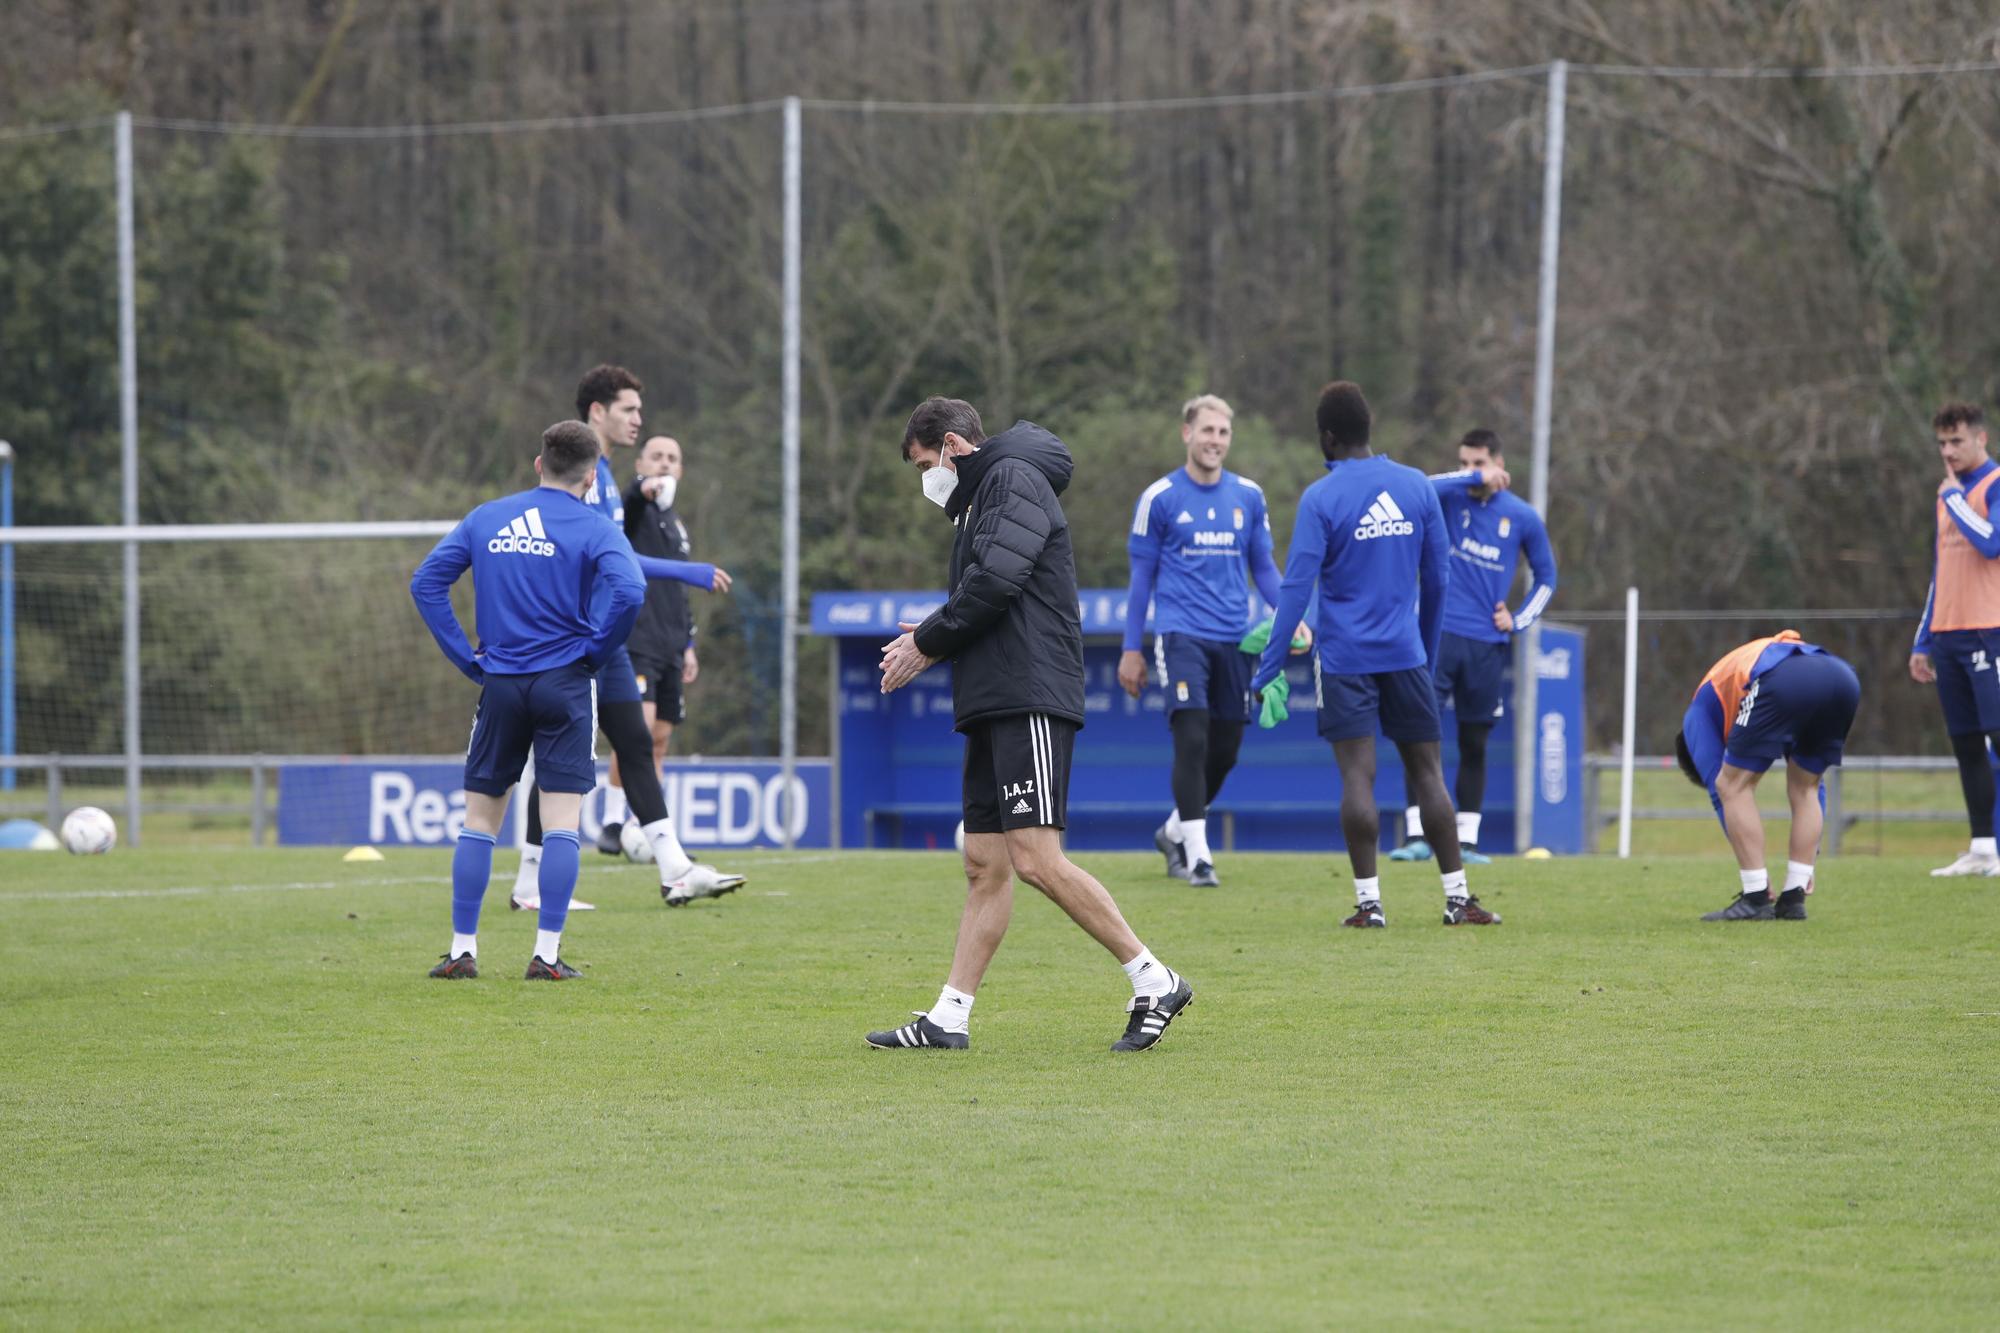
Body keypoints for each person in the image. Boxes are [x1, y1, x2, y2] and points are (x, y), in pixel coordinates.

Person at [869, 397, 1194, 1052]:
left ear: (953, 446)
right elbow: (986, 587)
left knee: (1037, 859)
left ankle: (1152, 976)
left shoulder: (1011, 480)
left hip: (1028, 695)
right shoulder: (984, 495)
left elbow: (995, 582)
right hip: (994, 699)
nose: (925, 482)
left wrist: (927, 641)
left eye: (924, 465)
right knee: (984, 863)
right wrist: (936, 633)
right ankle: (950, 1017)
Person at [1250, 381, 1499, 928]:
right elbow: (1439, 580)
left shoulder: (1322, 497)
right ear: (1370, 430)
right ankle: (1459, 899)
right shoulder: (1415, 487)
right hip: (1407, 655)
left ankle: (1370, 905)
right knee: (1429, 773)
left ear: (1328, 437)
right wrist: (1426, 652)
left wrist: (1268, 666)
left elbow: (1296, 589)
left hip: (1344, 660)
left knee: (1358, 778)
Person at [409, 420, 647, 980]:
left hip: (500, 681)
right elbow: (632, 589)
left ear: (539, 464)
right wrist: (596, 649)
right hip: (565, 682)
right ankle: (545, 955)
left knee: (479, 820)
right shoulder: (593, 526)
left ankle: (462, 949)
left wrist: (465, 656)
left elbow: (426, 582)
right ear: (592, 477)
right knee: (561, 820)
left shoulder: (487, 517)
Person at [506, 365, 744, 911]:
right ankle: (527, 884)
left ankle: (675, 868)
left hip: (603, 637)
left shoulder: (608, 477)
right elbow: (604, 555)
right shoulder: (583, 476)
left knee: (635, 744)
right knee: (556, 758)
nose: (639, 418)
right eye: (629, 409)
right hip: (571, 636)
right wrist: (688, 571)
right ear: (598, 412)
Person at [1119, 394, 1306, 888]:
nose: (1215, 441)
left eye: (1223, 433)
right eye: (1207, 431)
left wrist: (1290, 616)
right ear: (1187, 434)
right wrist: (1130, 649)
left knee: (1225, 752)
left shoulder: (1249, 496)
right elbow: (1141, 581)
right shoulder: (1159, 497)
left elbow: (1264, 568)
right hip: (1181, 634)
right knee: (1193, 735)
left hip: (1233, 639)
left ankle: (1174, 830)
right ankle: (1199, 857)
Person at [1389, 428, 1557, 865]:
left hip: (1486, 645)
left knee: (1474, 743)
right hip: (1437, 636)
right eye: (1463, 461)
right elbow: (1420, 484)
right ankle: (1415, 836)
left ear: (1499, 464)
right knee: (1418, 733)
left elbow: (1547, 577)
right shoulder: (1448, 497)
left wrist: (1517, 619)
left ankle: (1466, 842)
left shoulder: (1521, 516)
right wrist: (1466, 479)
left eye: (1478, 463)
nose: (1468, 470)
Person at [1677, 632, 1860, 921]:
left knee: (1731, 784)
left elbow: (1720, 789)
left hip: (1786, 678)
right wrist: (1807, 863)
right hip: (1842, 677)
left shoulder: (1696, 716)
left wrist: (1756, 875)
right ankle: (1794, 897)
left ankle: (1756, 898)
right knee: (1805, 787)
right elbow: (1816, 789)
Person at [1910, 402, 2000, 877]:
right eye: (1942, 443)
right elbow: (1940, 573)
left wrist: (1954, 501)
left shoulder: (1990, 485)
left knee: (1998, 737)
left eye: (1957, 442)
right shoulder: (1948, 494)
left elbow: (1992, 542)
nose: (1948, 451)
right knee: (1966, 744)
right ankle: (1983, 848)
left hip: (1991, 632)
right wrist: (1923, 639)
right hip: (1948, 635)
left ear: (1980, 439)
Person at [604, 434, 704, 846]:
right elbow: (628, 504)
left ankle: (645, 825)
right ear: (640, 464)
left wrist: (689, 645)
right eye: (657, 457)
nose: (665, 464)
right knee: (637, 733)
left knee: (660, 739)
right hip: (637, 640)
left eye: (672, 458)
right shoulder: (633, 510)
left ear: (681, 469)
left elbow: (678, 590)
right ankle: (612, 822)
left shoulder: (676, 525)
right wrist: (638, 492)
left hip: (670, 645)